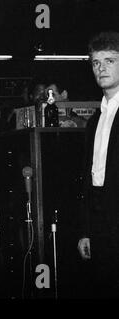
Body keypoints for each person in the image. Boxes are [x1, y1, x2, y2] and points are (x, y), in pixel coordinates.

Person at [77, 31, 119, 297]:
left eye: (110, 60)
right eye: (95, 62)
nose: (101, 67)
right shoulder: (95, 120)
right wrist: (86, 231)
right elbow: (90, 178)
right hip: (101, 221)